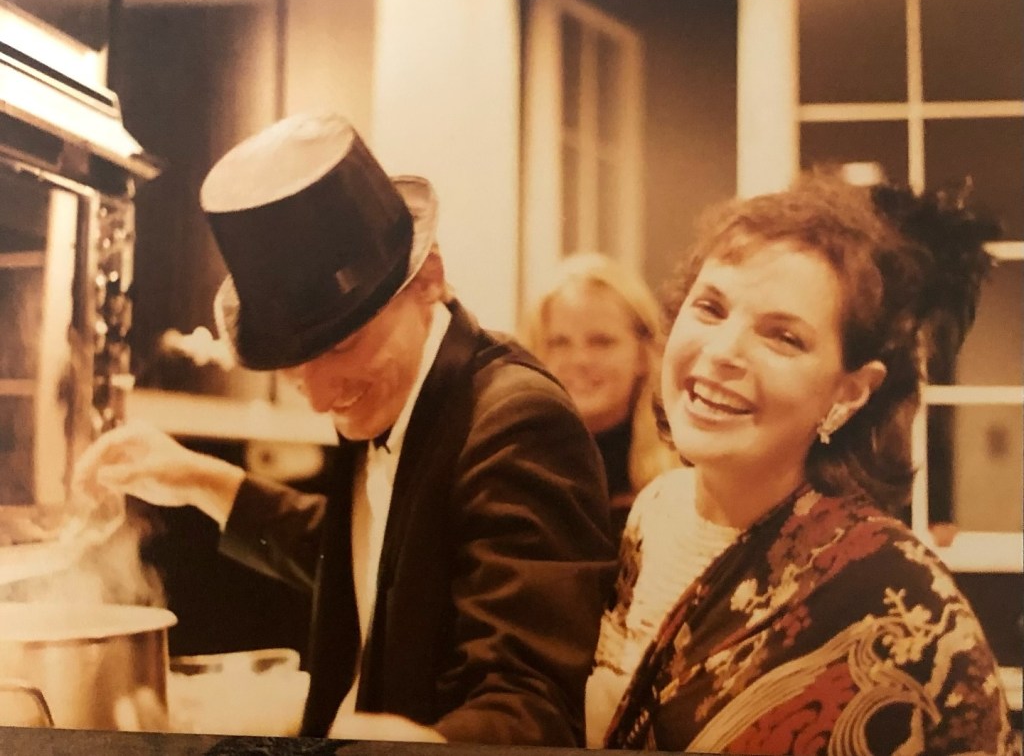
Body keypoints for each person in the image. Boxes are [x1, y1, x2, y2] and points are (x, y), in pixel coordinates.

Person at [74, 112, 617, 746]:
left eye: (344, 344)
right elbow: (374, 558)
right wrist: (198, 478)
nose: (320, 396)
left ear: (430, 279)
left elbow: (533, 703)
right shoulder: (392, 391)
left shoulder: (518, 422)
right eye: (296, 368)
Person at [586, 174, 1018, 754]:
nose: (721, 353)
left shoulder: (894, 593)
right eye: (710, 308)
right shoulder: (656, 512)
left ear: (850, 391)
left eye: (783, 337)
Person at [522, 253, 679, 540]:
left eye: (601, 342)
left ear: (644, 355)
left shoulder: (682, 480)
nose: (579, 359)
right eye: (559, 343)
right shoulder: (515, 469)